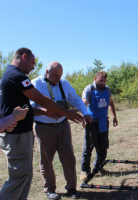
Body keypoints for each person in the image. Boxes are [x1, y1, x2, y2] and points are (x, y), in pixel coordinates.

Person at [0, 48, 84, 200]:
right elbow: (42, 100)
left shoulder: (12, 75)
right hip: (18, 135)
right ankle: (48, 189)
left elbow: (26, 109)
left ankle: (71, 187)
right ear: (24, 57)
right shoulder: (17, 76)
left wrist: (45, 112)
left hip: (21, 133)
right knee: (19, 177)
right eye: (32, 63)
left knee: (25, 176)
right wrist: (68, 113)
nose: (33, 67)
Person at [30, 62, 92, 199]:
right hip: (43, 128)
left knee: (69, 158)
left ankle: (71, 188)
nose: (58, 78)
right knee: (46, 160)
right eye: (55, 75)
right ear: (47, 72)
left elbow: (75, 99)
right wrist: (45, 112)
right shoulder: (35, 84)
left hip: (63, 126)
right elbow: (28, 109)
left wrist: (85, 113)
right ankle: (50, 189)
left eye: (60, 75)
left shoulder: (64, 83)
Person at [80, 71, 118, 181]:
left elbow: (110, 103)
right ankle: (85, 171)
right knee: (89, 147)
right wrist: (84, 118)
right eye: (101, 80)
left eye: (105, 81)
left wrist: (114, 116)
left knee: (103, 146)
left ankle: (99, 167)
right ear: (95, 78)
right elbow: (84, 104)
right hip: (92, 123)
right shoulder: (89, 89)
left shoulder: (107, 89)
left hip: (103, 121)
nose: (103, 83)